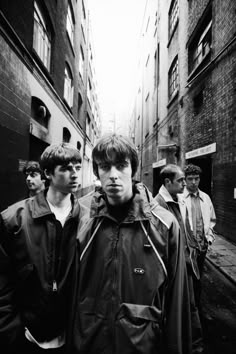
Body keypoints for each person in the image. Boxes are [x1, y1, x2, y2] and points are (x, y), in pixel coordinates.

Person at [72, 134, 192, 354]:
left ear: (133, 170)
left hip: (143, 345)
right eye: (105, 167)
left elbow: (177, 302)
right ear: (97, 172)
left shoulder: (164, 225)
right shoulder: (82, 217)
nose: (113, 175)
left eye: (121, 166)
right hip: (89, 342)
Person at [0, 143, 86, 354]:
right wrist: (12, 332)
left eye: (77, 167)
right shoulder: (14, 219)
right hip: (26, 337)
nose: (74, 174)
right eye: (66, 168)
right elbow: (3, 281)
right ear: (47, 173)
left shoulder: (88, 220)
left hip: (73, 337)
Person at [155, 164, 204, 353]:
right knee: (179, 310)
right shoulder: (160, 204)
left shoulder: (176, 199)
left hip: (186, 264)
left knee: (190, 308)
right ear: (167, 182)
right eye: (181, 180)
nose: (185, 184)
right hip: (174, 269)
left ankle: (191, 344)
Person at [183, 163, 216, 307]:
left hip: (201, 248)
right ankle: (183, 309)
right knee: (184, 280)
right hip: (185, 249)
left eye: (196, 178)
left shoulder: (206, 198)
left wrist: (209, 238)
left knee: (198, 279)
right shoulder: (179, 198)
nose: (193, 182)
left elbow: (212, 220)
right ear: (184, 180)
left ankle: (195, 308)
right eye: (190, 179)